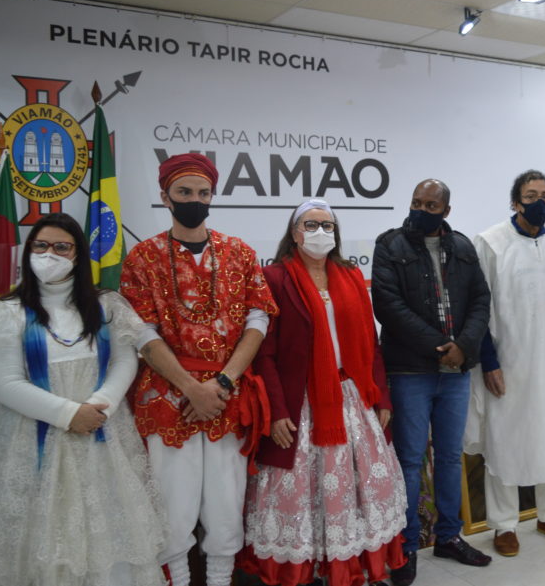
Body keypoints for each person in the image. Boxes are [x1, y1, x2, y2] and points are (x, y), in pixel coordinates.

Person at [0, 213, 166, 586]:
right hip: (29, 442)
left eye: (61, 247)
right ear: (28, 251)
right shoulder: (5, 313)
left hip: (99, 435)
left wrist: (100, 407)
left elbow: (124, 361)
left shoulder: (107, 306)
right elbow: (5, 382)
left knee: (104, 539)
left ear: (78, 254)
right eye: (41, 245)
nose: (49, 254)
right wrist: (69, 414)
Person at [120, 153, 278, 586]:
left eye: (203, 193)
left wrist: (222, 382)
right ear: (165, 197)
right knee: (172, 503)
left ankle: (221, 580)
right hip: (168, 396)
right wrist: (191, 387)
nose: (195, 200)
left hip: (228, 395)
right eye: (184, 192)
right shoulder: (142, 257)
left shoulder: (240, 252)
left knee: (227, 501)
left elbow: (258, 319)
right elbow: (141, 331)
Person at [239, 199, 408, 586]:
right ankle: (304, 573)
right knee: (302, 498)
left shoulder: (350, 275)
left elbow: (370, 343)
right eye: (311, 225)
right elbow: (264, 353)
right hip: (300, 404)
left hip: (352, 398)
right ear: (295, 233)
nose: (320, 232)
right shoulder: (275, 278)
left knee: (358, 494)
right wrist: (277, 411)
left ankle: (346, 571)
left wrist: (380, 396)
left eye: (327, 226)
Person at [465, 169, 545, 557]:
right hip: (509, 362)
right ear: (515, 202)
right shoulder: (491, 242)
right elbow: (479, 307)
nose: (540, 202)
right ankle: (504, 524)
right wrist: (489, 362)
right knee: (506, 440)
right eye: (531, 195)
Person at [371, 179, 493, 585]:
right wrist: (440, 347)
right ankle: (406, 547)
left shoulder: (462, 246)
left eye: (430, 205)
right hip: (410, 371)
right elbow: (388, 306)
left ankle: (448, 537)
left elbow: (481, 300)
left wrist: (464, 346)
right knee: (410, 460)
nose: (420, 210)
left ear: (446, 211)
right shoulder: (390, 245)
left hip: (455, 373)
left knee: (450, 457)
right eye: (416, 202)